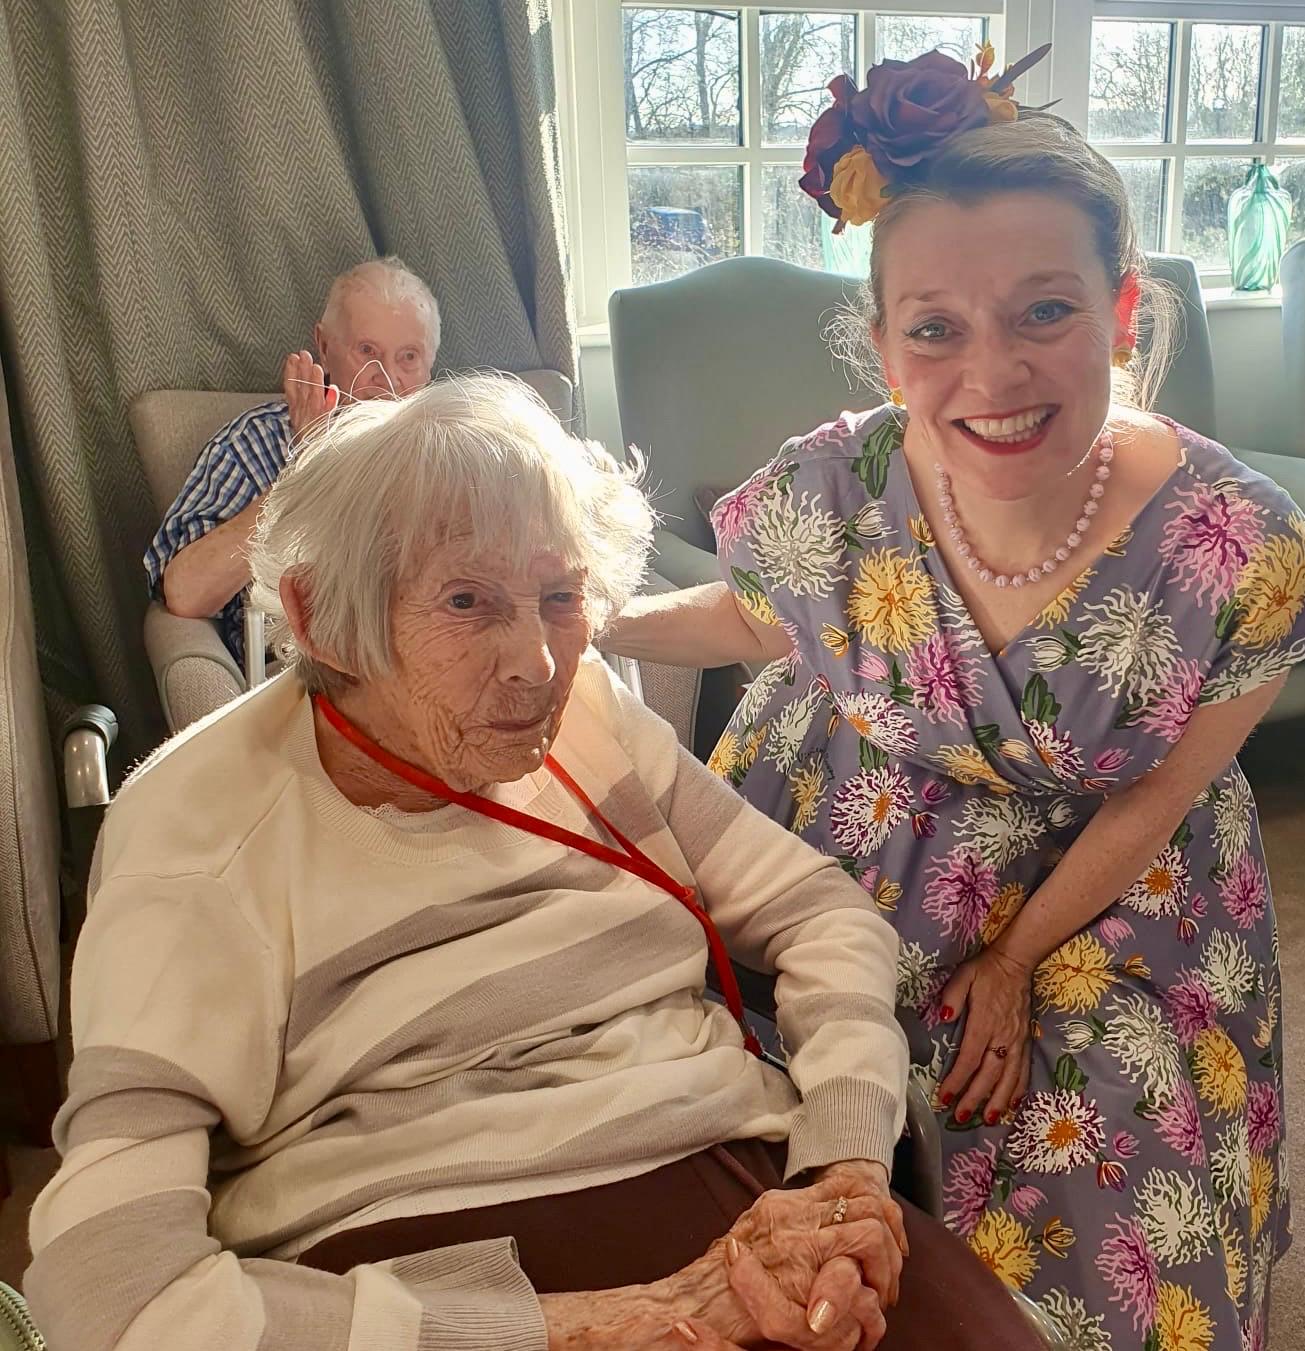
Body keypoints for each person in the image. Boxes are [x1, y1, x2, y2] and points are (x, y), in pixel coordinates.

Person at [600, 46, 1305, 1351]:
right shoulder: (839, 475)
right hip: (832, 829)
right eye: (935, 328)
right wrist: (583, 614)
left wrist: (1012, 959)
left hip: (1103, 893)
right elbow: (757, 616)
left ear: (1120, 311)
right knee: (715, 1156)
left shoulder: (1235, 541)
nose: (992, 373)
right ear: (883, 342)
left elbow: (1154, 796)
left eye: (1043, 312)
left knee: (1103, 1227)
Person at [27, 375, 1049, 1351]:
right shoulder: (196, 832)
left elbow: (820, 914)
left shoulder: (591, 715)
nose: (539, 663)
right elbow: (113, 1291)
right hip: (407, 1248)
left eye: (560, 595)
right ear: (318, 615)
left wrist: (841, 1170)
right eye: (466, 602)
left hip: (726, 1165)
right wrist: (606, 1324)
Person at [142, 255, 440, 670]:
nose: (387, 378)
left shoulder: (454, 452)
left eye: (408, 357)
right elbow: (186, 594)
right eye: (367, 351)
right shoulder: (255, 442)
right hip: (305, 677)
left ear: (430, 367)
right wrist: (308, 467)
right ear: (324, 347)